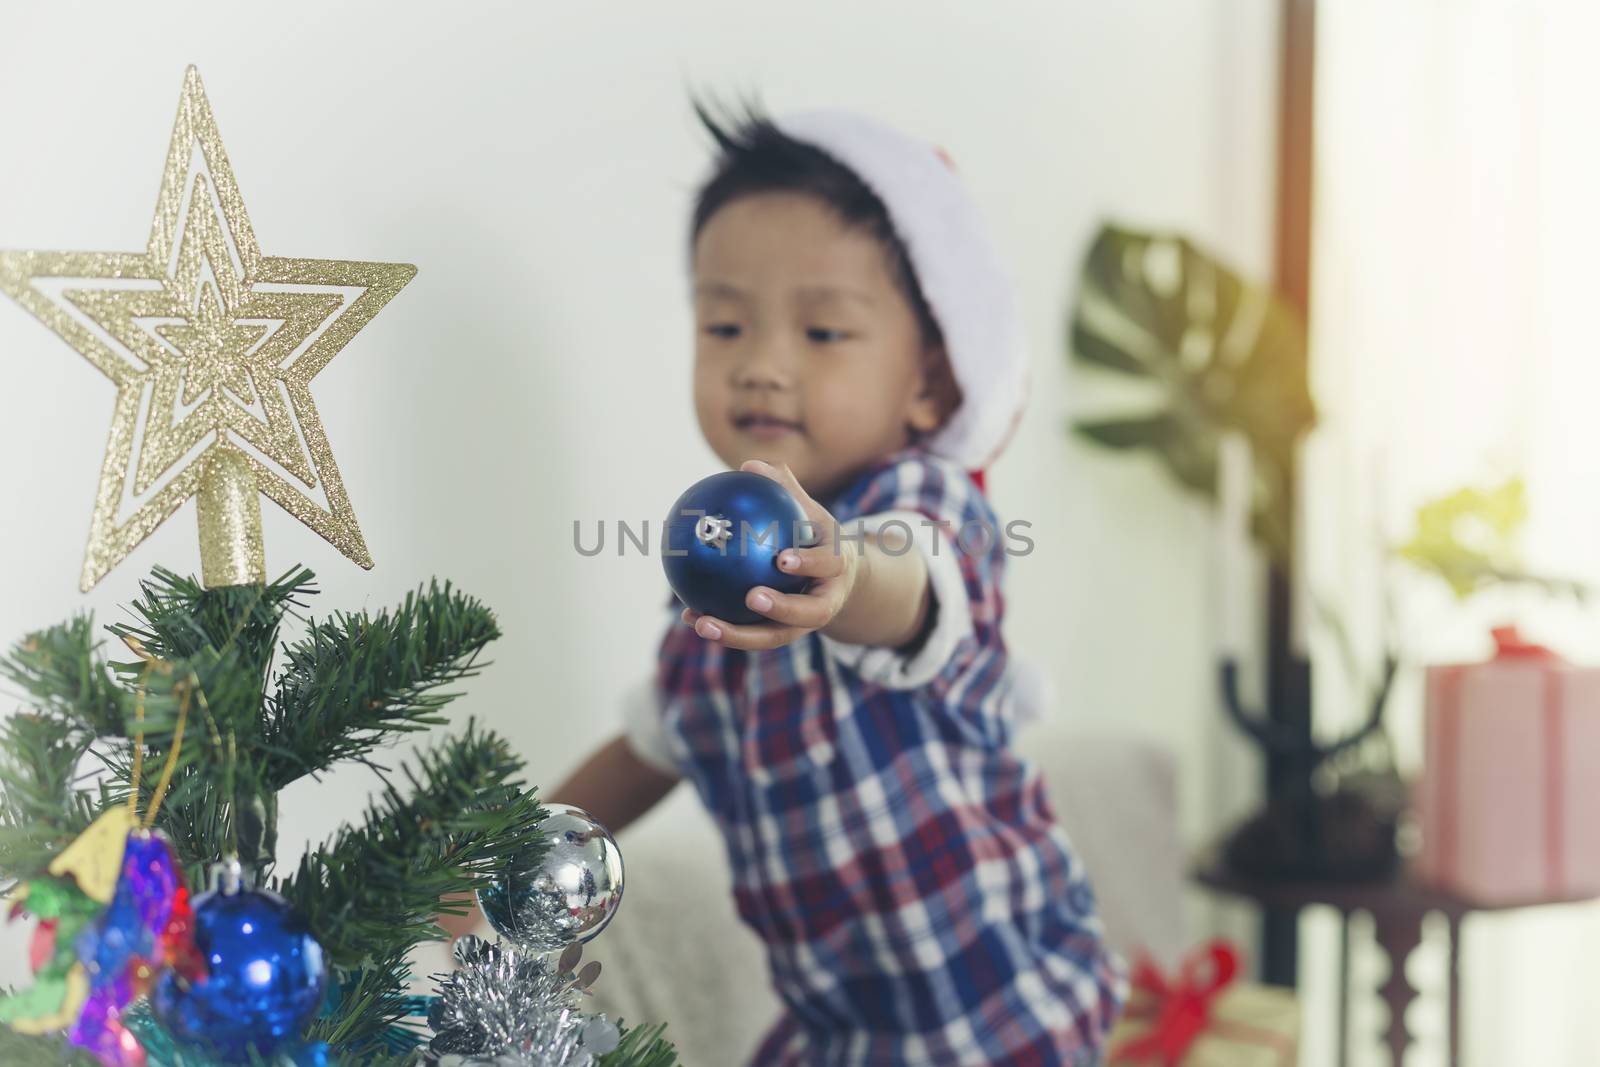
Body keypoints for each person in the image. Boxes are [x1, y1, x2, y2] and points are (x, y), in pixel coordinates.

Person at [463, 99, 1125, 1066]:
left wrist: (846, 569)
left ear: (929, 385)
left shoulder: (928, 506)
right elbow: (649, 750)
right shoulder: (711, 589)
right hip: (842, 1031)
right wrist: (499, 874)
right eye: (726, 324)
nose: (764, 367)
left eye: (823, 333)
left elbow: (909, 582)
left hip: (1006, 1007)